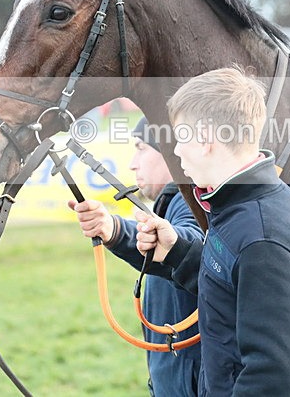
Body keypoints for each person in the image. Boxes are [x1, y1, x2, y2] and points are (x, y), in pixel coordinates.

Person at [135, 67, 290, 396]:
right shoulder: (237, 204)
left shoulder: (263, 235)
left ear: (205, 140)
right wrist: (178, 252)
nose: (176, 151)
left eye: (181, 137)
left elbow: (271, 377)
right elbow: (232, 282)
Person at [69, 117, 203, 396]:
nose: (132, 162)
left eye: (141, 148)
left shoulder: (190, 203)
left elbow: (186, 243)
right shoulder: (177, 202)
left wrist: (115, 230)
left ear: (170, 152)